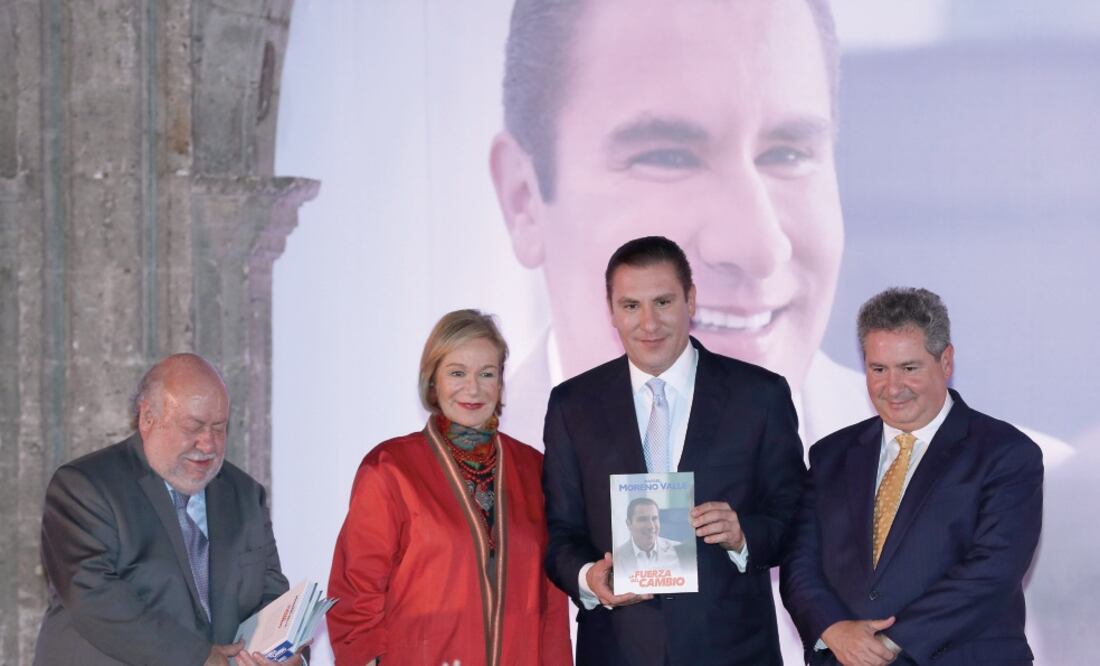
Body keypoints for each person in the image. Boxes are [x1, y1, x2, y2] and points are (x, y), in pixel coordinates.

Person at [542, 236, 805, 665]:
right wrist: (589, 578)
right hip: (617, 650)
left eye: (663, 302)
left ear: (691, 300)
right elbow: (560, 531)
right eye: (631, 305)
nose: (649, 323)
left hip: (733, 652)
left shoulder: (760, 396)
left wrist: (743, 535)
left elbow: (796, 516)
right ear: (611, 311)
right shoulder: (573, 405)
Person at [780, 288, 1042, 665]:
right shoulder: (831, 454)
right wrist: (834, 630)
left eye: (909, 368)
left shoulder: (1006, 453)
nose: (892, 387)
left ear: (945, 361)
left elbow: (993, 570)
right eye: (878, 369)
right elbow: (799, 562)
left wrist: (888, 644)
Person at [326, 309, 571, 666]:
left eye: (486, 373)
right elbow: (355, 594)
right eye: (457, 373)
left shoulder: (533, 470)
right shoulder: (390, 468)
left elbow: (552, 607)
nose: (473, 388)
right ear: (432, 381)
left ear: (501, 383)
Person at [34, 353, 300, 666]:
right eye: (193, 427)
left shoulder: (245, 495)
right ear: (147, 418)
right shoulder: (84, 487)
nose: (208, 444)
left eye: (219, 427)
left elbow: (271, 598)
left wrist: (286, 653)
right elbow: (92, 596)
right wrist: (198, 657)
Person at [613, 498, 688, 573]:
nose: (651, 526)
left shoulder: (680, 551)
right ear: (629, 524)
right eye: (643, 519)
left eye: (654, 518)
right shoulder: (616, 557)